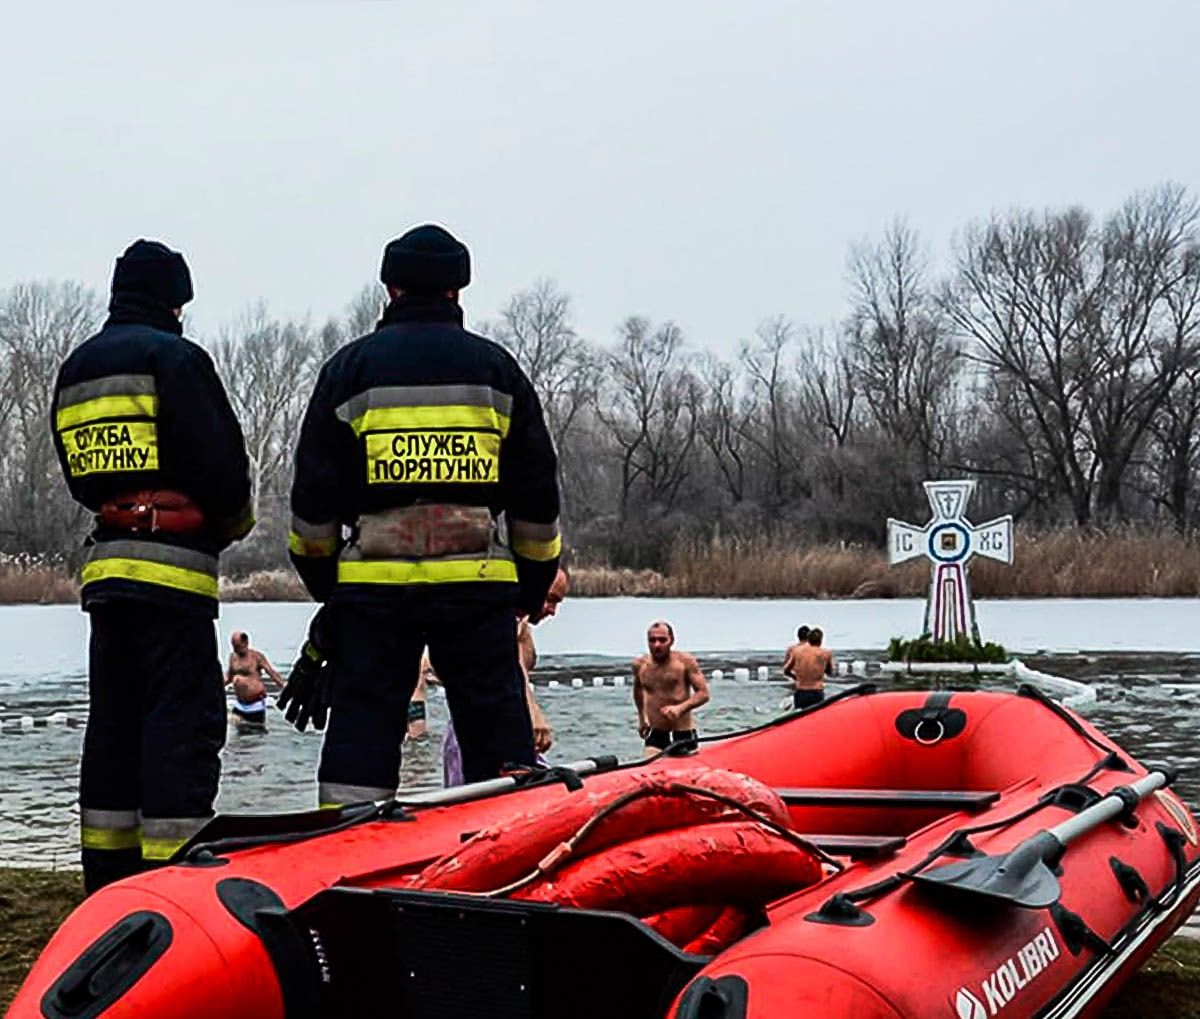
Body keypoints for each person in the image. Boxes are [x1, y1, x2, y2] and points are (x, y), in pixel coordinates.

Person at [284, 224, 561, 805]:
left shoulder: (348, 371)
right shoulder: (497, 371)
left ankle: (349, 856)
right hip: (478, 591)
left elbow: (312, 506)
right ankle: (499, 859)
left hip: (372, 592)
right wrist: (530, 588)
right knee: (497, 741)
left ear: (390, 288)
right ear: (459, 291)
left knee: (360, 736)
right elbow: (536, 500)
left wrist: (332, 590)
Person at [50, 240, 254, 893]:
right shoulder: (175, 358)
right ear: (175, 301)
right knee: (182, 724)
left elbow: (82, 482)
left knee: (112, 725)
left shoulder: (77, 368)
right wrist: (223, 524)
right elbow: (222, 471)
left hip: (107, 576)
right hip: (173, 577)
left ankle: (107, 883)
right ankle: (176, 880)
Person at [442, 567, 568, 785]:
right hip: (483, 733)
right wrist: (534, 714)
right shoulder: (503, 620)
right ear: (533, 588)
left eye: (558, 603)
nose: (553, 610)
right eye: (550, 599)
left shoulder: (516, 623)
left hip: (480, 727)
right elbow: (512, 663)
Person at [633, 621, 710, 757]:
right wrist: (642, 718)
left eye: (662, 640)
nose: (657, 645)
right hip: (656, 732)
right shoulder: (640, 665)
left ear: (671, 640)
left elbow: (704, 694)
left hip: (682, 733)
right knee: (652, 772)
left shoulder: (685, 662)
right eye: (652, 640)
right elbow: (638, 691)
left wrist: (680, 708)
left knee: (682, 776)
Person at [225, 631, 284, 730]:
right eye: (233, 646)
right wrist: (213, 687)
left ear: (246, 643)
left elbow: (272, 673)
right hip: (239, 705)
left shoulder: (256, 657)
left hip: (255, 705)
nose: (235, 649)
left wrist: (285, 687)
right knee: (236, 738)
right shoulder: (233, 657)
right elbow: (229, 677)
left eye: (238, 646)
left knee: (256, 737)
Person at [784, 626, 834, 710]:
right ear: (821, 640)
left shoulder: (796, 651)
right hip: (817, 691)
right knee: (816, 717)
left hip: (800, 690)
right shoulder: (826, 653)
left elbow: (786, 670)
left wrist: (796, 677)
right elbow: (830, 672)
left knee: (799, 717)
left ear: (809, 639)